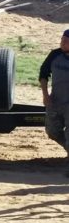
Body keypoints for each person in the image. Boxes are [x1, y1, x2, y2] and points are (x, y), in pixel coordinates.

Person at [39, 28, 69, 175]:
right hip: (55, 102)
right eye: (62, 40)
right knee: (52, 131)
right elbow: (43, 74)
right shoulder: (55, 54)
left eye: (66, 41)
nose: (62, 43)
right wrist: (45, 95)